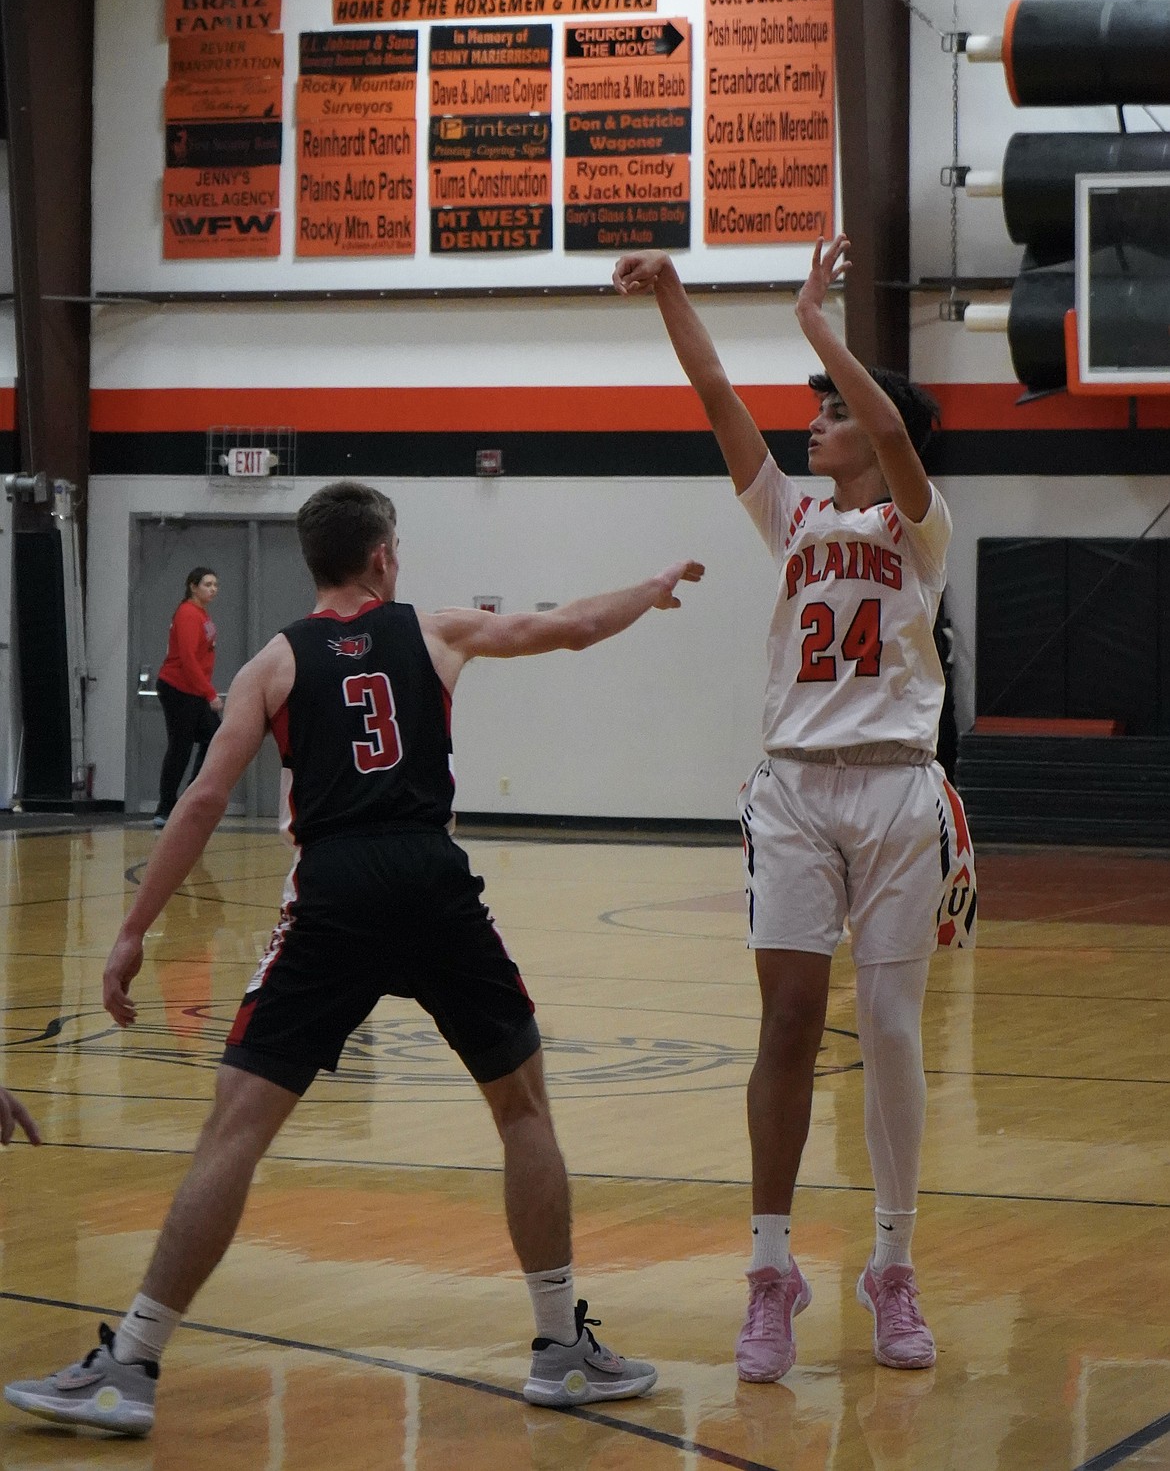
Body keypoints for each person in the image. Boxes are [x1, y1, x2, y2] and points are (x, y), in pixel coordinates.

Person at [5, 481, 703, 1438]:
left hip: (334, 888)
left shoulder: (273, 662)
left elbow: (204, 798)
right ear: (381, 557)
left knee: (233, 1132)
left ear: (314, 562)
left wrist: (132, 928)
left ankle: (130, 1362)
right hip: (430, 875)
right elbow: (573, 625)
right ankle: (560, 1349)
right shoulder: (438, 632)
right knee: (523, 1107)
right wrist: (652, 582)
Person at [613, 237, 976, 1381]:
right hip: (793, 788)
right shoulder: (790, 518)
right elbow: (716, 392)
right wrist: (672, 291)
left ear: (869, 428)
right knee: (785, 1023)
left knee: (892, 1031)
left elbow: (901, 436)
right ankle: (771, 1270)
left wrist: (821, 322)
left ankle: (892, 1264)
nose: (810, 426)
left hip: (896, 784)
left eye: (827, 414)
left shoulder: (921, 526)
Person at [154, 567, 223, 828]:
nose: (213, 589)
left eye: (215, 585)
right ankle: (165, 808)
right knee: (180, 747)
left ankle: (190, 798)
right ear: (193, 587)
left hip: (193, 689)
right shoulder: (187, 614)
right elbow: (188, 658)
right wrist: (210, 694)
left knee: (214, 736)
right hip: (179, 688)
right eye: (207, 584)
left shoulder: (202, 614)